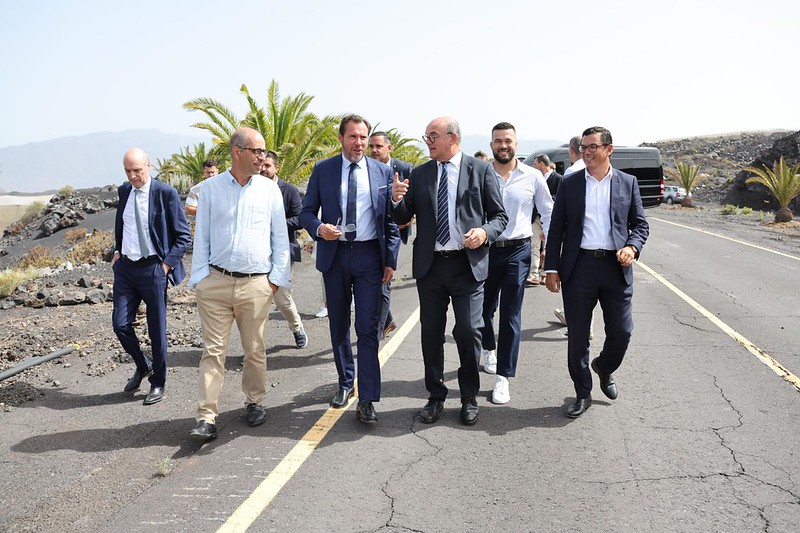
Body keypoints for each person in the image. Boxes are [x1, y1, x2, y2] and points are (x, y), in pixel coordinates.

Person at [391, 116, 507, 426]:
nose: (426, 141)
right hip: (431, 267)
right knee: (430, 334)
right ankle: (435, 395)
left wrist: (483, 232)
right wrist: (396, 198)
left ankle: (468, 396)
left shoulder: (480, 170)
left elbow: (499, 217)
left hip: (466, 266)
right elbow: (402, 216)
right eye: (426, 136)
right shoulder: (421, 173)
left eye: (432, 135)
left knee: (468, 332)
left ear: (452, 138)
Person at [187, 127, 290, 441]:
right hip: (215, 284)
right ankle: (206, 416)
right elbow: (201, 236)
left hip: (256, 285)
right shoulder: (210, 190)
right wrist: (200, 280)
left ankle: (254, 400)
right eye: (257, 151)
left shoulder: (269, 190)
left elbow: (280, 240)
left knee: (254, 350)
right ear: (236, 151)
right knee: (213, 352)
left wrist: (275, 281)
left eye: (263, 152)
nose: (262, 157)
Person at [300, 114, 400, 424]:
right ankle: (345, 383)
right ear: (342, 138)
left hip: (370, 257)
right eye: (353, 137)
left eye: (364, 138)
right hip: (336, 256)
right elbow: (305, 213)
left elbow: (389, 220)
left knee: (368, 329)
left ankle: (367, 398)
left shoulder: (383, 171)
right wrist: (320, 229)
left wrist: (390, 260)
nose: (359, 143)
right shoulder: (324, 170)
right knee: (339, 325)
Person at [544, 126, 649, 418]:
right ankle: (582, 393)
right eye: (585, 147)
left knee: (622, 332)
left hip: (616, 268)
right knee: (578, 336)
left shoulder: (628, 183)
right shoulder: (571, 183)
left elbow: (640, 225)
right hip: (579, 268)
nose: (587, 152)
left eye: (593, 147)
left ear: (609, 149)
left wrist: (632, 247)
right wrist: (551, 267)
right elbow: (557, 229)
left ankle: (604, 367)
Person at [479, 123, 553, 404]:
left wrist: (551, 252)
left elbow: (548, 211)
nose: (503, 145)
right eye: (498, 141)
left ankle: (503, 378)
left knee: (510, 315)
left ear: (516, 144)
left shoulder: (533, 177)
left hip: (517, 251)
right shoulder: (481, 175)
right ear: (491, 145)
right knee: (482, 311)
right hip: (485, 250)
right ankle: (488, 347)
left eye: (508, 140)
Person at [112, 148, 191, 405]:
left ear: (149, 166)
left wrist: (165, 266)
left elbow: (183, 236)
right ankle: (142, 365)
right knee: (120, 325)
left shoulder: (165, 194)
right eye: (128, 171)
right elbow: (122, 224)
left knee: (156, 330)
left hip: (153, 269)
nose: (133, 176)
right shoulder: (124, 191)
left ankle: (158, 382)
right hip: (126, 268)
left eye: (137, 170)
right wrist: (116, 251)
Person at [259, 151, 307, 349]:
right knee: (257, 301)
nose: (263, 169)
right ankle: (254, 350)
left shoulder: (289, 191)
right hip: (256, 254)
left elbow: (300, 219)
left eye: (268, 166)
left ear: (276, 168)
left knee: (281, 298)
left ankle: (297, 327)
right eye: (261, 165)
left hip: (282, 251)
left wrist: (272, 224)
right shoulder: (250, 188)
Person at [368, 131, 413, 340]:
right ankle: (388, 321)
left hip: (395, 231)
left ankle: (378, 331)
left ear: (389, 148)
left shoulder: (404, 168)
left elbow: (412, 199)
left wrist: (407, 218)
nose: (374, 150)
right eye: (372, 147)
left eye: (378, 146)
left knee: (383, 283)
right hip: (374, 235)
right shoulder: (366, 168)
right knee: (378, 284)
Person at [527, 153, 562, 286]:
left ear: (542, 164)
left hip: (550, 218)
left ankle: (545, 272)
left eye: (535, 164)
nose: (533, 166)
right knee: (534, 245)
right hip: (535, 217)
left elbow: (560, 198)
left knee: (548, 245)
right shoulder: (534, 178)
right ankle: (533, 273)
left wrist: (547, 200)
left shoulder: (558, 179)